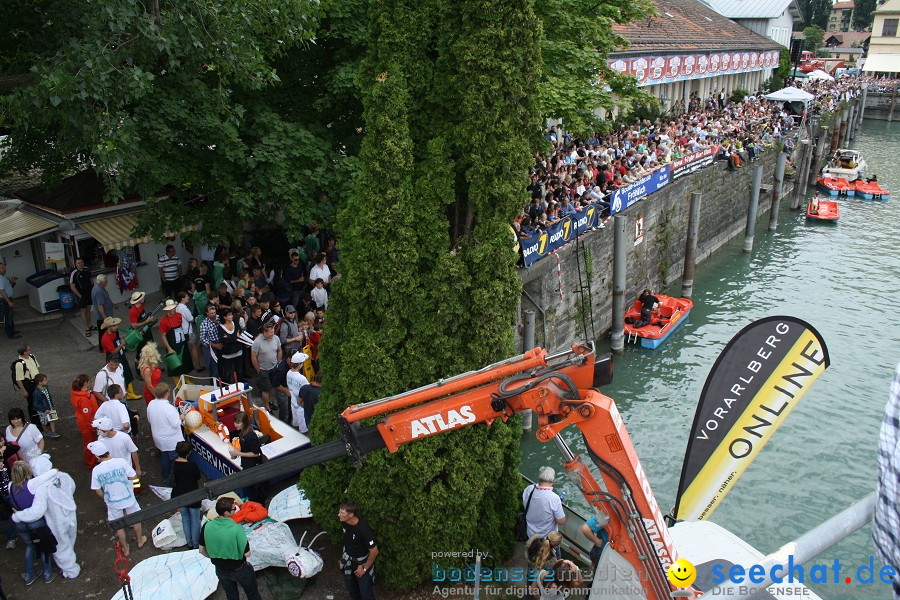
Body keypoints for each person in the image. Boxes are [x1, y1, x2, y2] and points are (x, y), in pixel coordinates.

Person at [10, 454, 80, 579]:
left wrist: (18, 516)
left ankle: (71, 571)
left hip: (56, 521)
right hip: (70, 515)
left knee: (61, 546)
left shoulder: (42, 489)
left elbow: (37, 511)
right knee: (70, 540)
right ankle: (70, 560)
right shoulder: (65, 476)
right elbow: (72, 488)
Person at [88, 439, 146, 557]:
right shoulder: (121, 462)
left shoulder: (97, 470)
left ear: (97, 456)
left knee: (119, 526)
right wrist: (134, 488)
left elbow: (97, 489)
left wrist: (106, 498)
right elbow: (134, 476)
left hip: (113, 502)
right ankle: (140, 540)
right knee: (135, 518)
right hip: (128, 497)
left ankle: (125, 548)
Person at [199, 496, 262, 600]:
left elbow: (201, 550)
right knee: (253, 595)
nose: (236, 510)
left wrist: (214, 556)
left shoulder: (207, 526)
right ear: (226, 513)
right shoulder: (236, 528)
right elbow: (247, 554)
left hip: (221, 570)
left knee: (231, 596)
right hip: (240, 569)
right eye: (234, 509)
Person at [7, 461, 58, 584]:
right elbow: (53, 472)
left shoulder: (10, 486)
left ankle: (29, 575)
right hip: (35, 522)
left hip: (20, 522)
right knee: (43, 546)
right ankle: (47, 574)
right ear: (26, 471)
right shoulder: (31, 484)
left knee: (30, 546)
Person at [338, 500, 378, 600]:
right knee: (352, 591)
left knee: (366, 594)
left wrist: (364, 568)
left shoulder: (363, 529)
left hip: (361, 564)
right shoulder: (344, 522)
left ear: (351, 515)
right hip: (348, 561)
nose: (339, 515)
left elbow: (374, 551)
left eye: (342, 513)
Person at [146, 383, 184, 484]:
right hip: (171, 441)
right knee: (177, 461)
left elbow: (149, 419)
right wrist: (181, 418)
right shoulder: (169, 408)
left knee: (164, 458)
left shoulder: (151, 404)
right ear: (167, 393)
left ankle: (166, 478)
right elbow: (176, 424)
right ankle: (177, 480)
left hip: (158, 438)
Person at [228, 411, 265, 504]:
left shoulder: (250, 435)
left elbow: (255, 453)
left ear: (244, 422)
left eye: (238, 422)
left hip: (252, 466)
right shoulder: (243, 433)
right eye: (235, 422)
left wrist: (239, 453)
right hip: (247, 464)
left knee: (252, 491)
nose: (235, 425)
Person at [100, 316, 141, 400]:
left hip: (121, 355)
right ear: (108, 327)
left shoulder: (115, 332)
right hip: (113, 358)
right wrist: (122, 344)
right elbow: (113, 352)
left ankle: (130, 393)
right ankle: (126, 393)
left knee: (127, 373)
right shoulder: (105, 338)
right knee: (118, 375)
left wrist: (121, 343)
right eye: (114, 325)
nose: (116, 327)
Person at [172, 441, 203, 549]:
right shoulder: (192, 465)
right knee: (195, 520)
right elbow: (198, 477)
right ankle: (196, 544)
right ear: (189, 452)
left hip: (180, 494)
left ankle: (189, 542)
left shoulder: (174, 464)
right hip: (193, 495)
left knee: (185, 518)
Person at [522, 467, 566, 540]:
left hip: (530, 533)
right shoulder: (554, 498)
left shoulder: (529, 489)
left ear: (540, 477)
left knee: (532, 550)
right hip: (547, 538)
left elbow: (525, 505)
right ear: (553, 480)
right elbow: (561, 521)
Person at [159, 299, 194, 376]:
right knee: (175, 366)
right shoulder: (163, 321)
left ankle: (186, 379)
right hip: (173, 345)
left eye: (173, 308)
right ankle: (178, 383)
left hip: (182, 343)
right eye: (170, 309)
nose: (172, 310)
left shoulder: (179, 315)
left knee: (186, 363)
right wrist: (169, 348)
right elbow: (163, 336)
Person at [251, 322, 282, 411]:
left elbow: (279, 350)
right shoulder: (257, 342)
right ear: (264, 332)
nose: (273, 334)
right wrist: (258, 369)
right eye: (271, 332)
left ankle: (270, 401)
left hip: (273, 367)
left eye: (273, 332)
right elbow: (253, 356)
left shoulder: (276, 338)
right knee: (265, 389)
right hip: (263, 369)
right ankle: (267, 407)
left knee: (271, 387)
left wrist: (278, 362)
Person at [69, 375, 99, 468]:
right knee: (89, 443)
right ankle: (90, 463)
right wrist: (92, 426)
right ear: (85, 383)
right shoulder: (84, 399)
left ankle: (92, 460)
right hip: (86, 424)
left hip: (83, 421)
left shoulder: (77, 394)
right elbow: (88, 416)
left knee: (89, 442)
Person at [13, 344, 43, 430]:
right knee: (32, 404)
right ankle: (36, 422)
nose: (31, 351)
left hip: (37, 382)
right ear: (24, 352)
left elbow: (37, 368)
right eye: (29, 350)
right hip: (29, 384)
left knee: (41, 400)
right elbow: (19, 379)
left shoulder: (32, 356)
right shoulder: (19, 363)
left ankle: (43, 420)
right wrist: (24, 390)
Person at [175, 292, 203, 373]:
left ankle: (192, 364)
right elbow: (191, 319)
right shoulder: (184, 308)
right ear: (182, 298)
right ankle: (198, 366)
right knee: (194, 348)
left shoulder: (177, 307)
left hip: (182, 331)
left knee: (189, 349)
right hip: (188, 331)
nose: (188, 297)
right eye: (186, 296)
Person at [128, 291, 156, 367]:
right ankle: (138, 368)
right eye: (141, 297)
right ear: (138, 300)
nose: (143, 298)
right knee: (140, 351)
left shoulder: (141, 306)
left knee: (151, 347)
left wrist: (148, 319)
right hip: (140, 334)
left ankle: (152, 366)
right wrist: (147, 321)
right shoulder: (133, 311)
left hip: (146, 330)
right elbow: (134, 325)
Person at [218, 308, 244, 385]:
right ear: (224, 317)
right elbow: (225, 340)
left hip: (238, 351)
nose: (232, 316)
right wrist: (235, 337)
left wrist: (230, 338)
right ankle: (227, 387)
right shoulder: (220, 327)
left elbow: (238, 335)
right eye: (229, 315)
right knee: (227, 373)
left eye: (231, 314)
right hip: (227, 354)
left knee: (239, 371)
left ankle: (240, 386)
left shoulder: (235, 323)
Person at [69, 257, 94, 337]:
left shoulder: (87, 270)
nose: (80, 264)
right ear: (76, 264)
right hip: (81, 295)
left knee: (88, 310)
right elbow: (72, 286)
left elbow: (91, 281)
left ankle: (90, 325)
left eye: (82, 262)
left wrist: (92, 291)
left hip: (88, 293)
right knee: (83, 311)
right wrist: (79, 296)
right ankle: (87, 328)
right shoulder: (74, 273)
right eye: (78, 263)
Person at [91, 273, 115, 353]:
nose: (107, 282)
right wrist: (105, 318)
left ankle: (104, 346)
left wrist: (113, 305)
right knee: (104, 332)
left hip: (105, 315)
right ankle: (103, 347)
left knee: (104, 331)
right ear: (102, 282)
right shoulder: (99, 291)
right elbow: (100, 306)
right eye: (106, 281)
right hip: (103, 316)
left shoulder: (99, 288)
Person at [31, 374, 60, 438]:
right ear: (40, 382)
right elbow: (36, 404)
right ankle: (45, 431)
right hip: (43, 410)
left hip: (49, 407)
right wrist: (44, 409)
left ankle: (53, 432)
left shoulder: (45, 387)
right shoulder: (36, 393)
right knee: (43, 421)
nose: (47, 381)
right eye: (45, 380)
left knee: (52, 419)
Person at [287, 352, 310, 433]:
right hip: (301, 406)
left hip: (293, 403)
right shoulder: (301, 378)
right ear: (300, 364)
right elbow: (308, 389)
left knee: (296, 423)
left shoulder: (288, 373)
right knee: (304, 428)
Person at [199, 304, 222, 379]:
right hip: (211, 347)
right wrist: (215, 345)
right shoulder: (204, 324)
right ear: (207, 313)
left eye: (214, 313)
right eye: (211, 313)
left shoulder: (219, 318)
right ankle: (214, 385)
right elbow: (202, 339)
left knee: (222, 365)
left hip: (221, 343)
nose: (213, 315)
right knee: (214, 368)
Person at [0, 261, 19, 339]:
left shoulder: (3, 277)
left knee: (11, 316)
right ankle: (10, 334)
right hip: (4, 300)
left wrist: (13, 282)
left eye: (4, 267)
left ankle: (12, 331)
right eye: (2, 268)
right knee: (8, 316)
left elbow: (9, 287)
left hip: (7, 299)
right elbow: (2, 291)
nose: (4, 269)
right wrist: (8, 301)